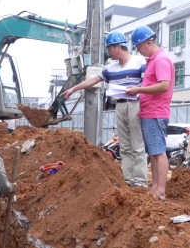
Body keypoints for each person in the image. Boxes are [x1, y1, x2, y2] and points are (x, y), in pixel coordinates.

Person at [62, 31, 148, 187]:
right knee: (125, 146)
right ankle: (128, 180)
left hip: (135, 104)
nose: (108, 52)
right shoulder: (111, 68)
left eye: (109, 48)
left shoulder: (139, 61)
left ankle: (140, 181)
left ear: (117, 47)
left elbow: (147, 83)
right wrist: (73, 89)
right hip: (120, 105)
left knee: (137, 145)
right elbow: (93, 80)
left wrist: (137, 89)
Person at [126, 26, 175, 201]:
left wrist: (139, 89)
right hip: (149, 112)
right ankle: (155, 187)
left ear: (149, 42)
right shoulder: (153, 60)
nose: (139, 50)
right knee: (153, 152)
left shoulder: (160, 60)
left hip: (156, 112)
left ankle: (160, 189)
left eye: (139, 47)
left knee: (158, 152)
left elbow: (164, 85)